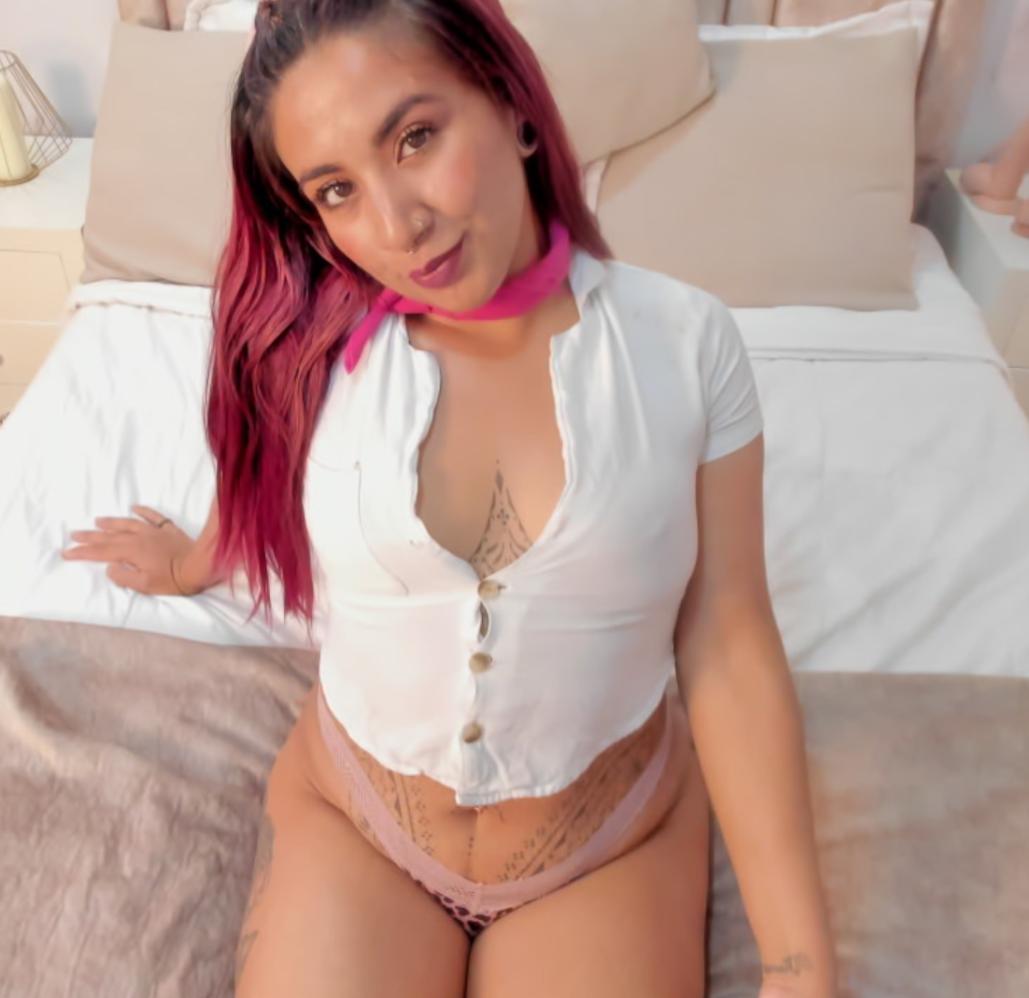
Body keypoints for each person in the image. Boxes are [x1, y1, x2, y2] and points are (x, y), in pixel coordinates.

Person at [59, 1, 838, 995]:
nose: (397, 225)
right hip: (356, 825)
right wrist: (185, 561)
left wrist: (800, 965)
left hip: (608, 847)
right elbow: (259, 484)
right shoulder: (305, 350)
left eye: (415, 138)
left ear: (511, 104)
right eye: (337, 190)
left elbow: (727, 633)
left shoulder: (688, 344)